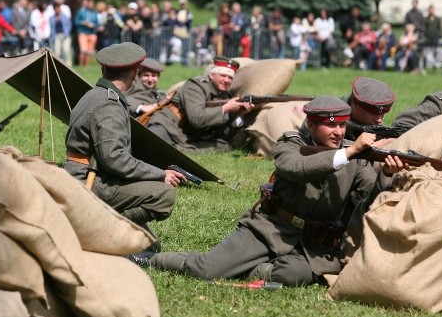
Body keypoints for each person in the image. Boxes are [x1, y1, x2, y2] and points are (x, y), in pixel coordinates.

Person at [143, 97, 405, 286]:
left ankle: (248, 269)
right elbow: (296, 168)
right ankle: (150, 260)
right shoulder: (291, 144)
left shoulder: (354, 157)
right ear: (312, 126)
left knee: (292, 276)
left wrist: (387, 174)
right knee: (205, 269)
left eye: (342, 126)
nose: (338, 132)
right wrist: (348, 152)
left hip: (313, 245)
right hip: (270, 229)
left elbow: (369, 197)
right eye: (330, 125)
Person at [64, 42, 185, 232]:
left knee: (151, 246)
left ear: (104, 69)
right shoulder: (109, 105)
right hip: (89, 180)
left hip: (81, 173)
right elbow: (115, 159)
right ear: (134, 73)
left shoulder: (93, 94)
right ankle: (105, 228)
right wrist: (161, 174)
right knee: (164, 195)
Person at [146, 56, 255, 152]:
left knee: (224, 146)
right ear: (212, 75)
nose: (226, 80)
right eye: (222, 75)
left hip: (188, 134)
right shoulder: (196, 86)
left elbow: (222, 134)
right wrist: (225, 108)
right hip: (167, 124)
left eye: (230, 77)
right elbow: (197, 119)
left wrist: (240, 115)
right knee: (151, 146)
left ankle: (178, 148)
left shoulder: (225, 96)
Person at [343, 77, 396, 142]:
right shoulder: (333, 117)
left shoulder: (371, 124)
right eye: (373, 113)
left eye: (383, 113)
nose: (379, 120)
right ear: (354, 103)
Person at [75, 0, 100, 66]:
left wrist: (94, 25)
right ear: (87, 4)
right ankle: (81, 66)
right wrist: (83, 23)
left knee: (89, 52)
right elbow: (76, 22)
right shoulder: (81, 12)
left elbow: (97, 24)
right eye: (89, 4)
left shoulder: (95, 13)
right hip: (83, 32)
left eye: (92, 4)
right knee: (83, 50)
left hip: (91, 33)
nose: (90, 5)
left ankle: (87, 67)